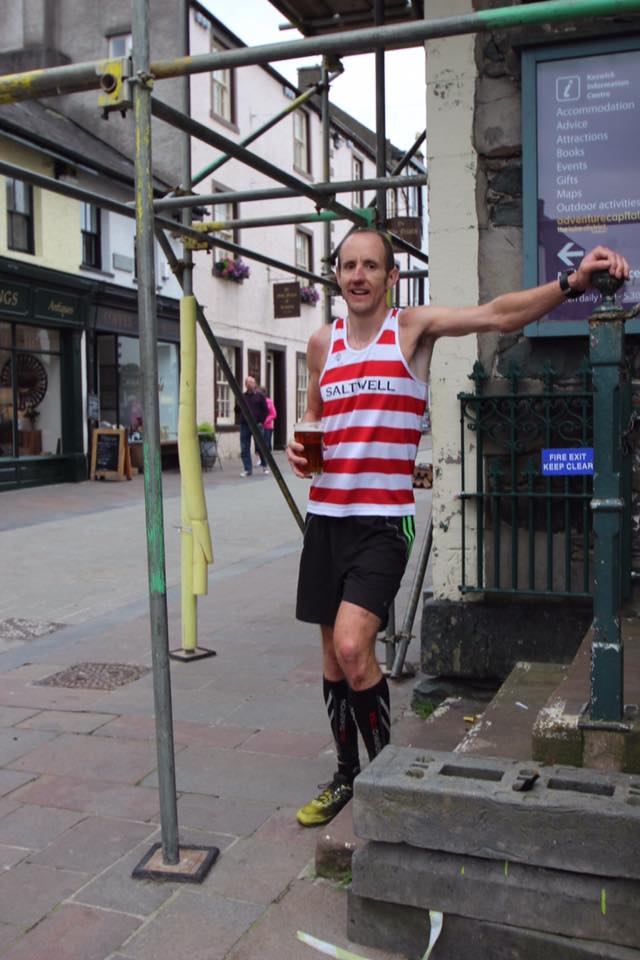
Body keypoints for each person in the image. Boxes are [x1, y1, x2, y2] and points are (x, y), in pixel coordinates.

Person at [286, 228, 629, 827]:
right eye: (348, 266)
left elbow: (496, 315)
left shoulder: (411, 330)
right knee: (333, 662)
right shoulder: (322, 344)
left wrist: (571, 283)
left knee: (352, 645)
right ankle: (346, 777)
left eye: (371, 266)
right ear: (336, 276)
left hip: (379, 524)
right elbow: (314, 417)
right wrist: (299, 441)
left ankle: (386, 777)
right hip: (326, 520)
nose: (359, 276)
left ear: (391, 277)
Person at [238, 375, 268, 477]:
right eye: (249, 382)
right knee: (244, 448)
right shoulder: (242, 397)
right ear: (246, 384)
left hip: (257, 425)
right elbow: (237, 409)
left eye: (253, 382)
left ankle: (264, 465)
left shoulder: (260, 396)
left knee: (260, 446)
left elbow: (266, 411)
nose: (251, 384)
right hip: (245, 425)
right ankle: (247, 469)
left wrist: (261, 421)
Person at [256, 387, 277, 469]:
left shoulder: (269, 402)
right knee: (258, 444)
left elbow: (273, 414)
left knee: (267, 443)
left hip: (268, 426)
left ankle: (267, 459)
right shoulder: (257, 402)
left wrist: (265, 420)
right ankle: (260, 459)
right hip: (259, 426)